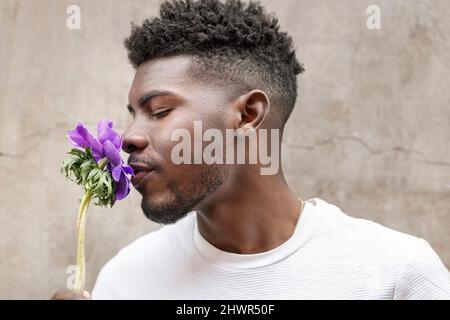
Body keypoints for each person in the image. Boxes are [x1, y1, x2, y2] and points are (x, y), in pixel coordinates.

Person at [52, 0, 450, 300]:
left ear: (248, 115)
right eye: (134, 114)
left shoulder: (398, 274)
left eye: (159, 110)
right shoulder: (125, 279)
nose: (128, 137)